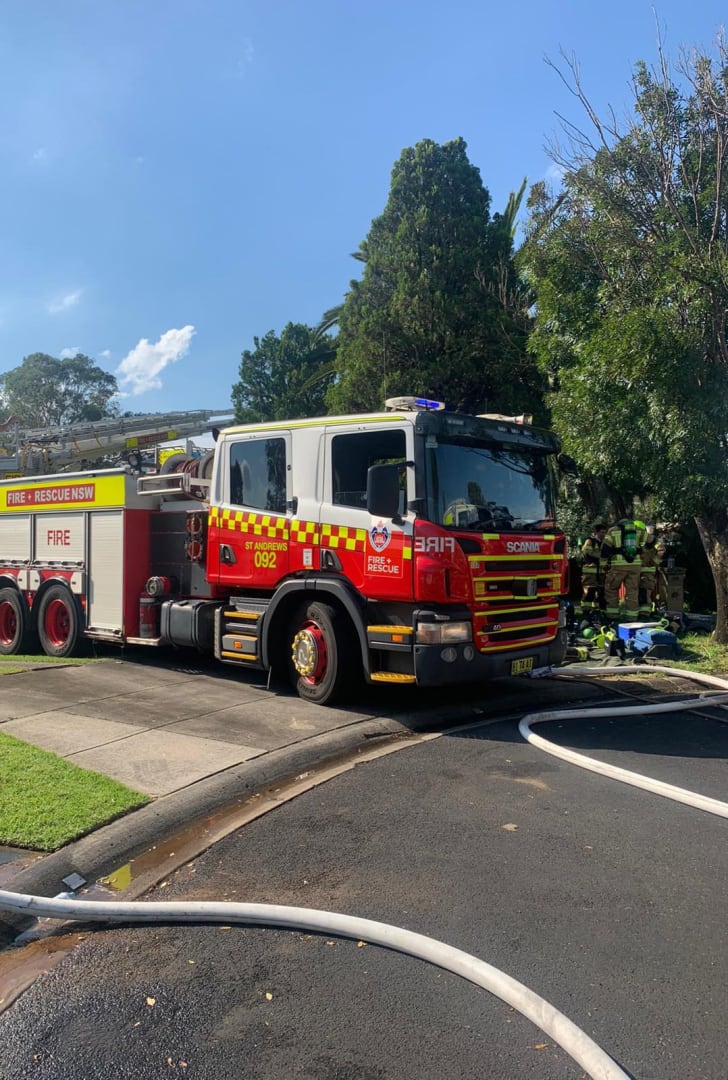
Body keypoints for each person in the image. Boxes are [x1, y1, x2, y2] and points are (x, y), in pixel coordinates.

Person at [600, 517, 647, 621]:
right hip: (635, 565)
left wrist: (603, 564)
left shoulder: (613, 530)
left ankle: (613, 616)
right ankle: (632, 617)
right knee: (633, 591)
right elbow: (645, 547)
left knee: (611, 588)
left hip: (618, 565)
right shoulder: (639, 531)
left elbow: (605, 548)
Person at [638, 524, 666, 619]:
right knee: (639, 593)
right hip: (637, 572)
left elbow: (661, 550)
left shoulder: (653, 540)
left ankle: (645, 615)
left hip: (648, 572)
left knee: (645, 593)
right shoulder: (637, 541)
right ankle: (640, 613)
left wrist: (654, 562)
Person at [579, 521, 607, 614]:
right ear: (596, 532)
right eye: (602, 532)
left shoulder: (604, 542)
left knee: (601, 592)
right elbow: (588, 552)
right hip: (590, 572)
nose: (603, 534)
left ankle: (598, 610)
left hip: (601, 572)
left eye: (604, 532)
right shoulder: (590, 541)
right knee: (589, 591)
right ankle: (586, 611)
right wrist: (601, 556)